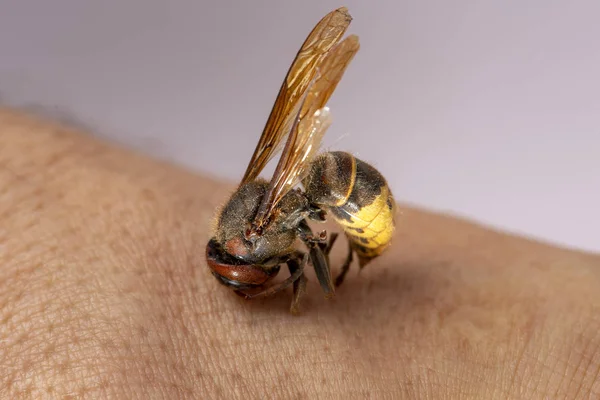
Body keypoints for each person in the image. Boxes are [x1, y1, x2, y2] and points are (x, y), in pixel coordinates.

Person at [1, 107, 599, 399]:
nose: (238, 285)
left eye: (237, 273)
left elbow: (304, 239)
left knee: (311, 239)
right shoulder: (252, 225)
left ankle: (340, 274)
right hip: (319, 194)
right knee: (310, 236)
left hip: (350, 189)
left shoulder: (269, 226)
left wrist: (317, 294)